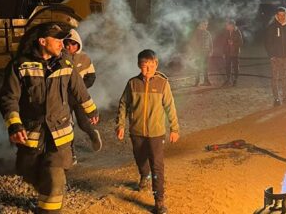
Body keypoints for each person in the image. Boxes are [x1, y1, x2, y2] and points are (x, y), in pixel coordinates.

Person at [0, 22, 99, 213]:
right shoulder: (20, 66)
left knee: (54, 179)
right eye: (58, 40)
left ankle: (48, 210)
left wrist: (91, 111)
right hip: (33, 135)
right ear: (43, 41)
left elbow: (81, 92)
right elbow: (8, 98)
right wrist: (14, 125)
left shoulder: (66, 64)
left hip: (59, 137)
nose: (62, 44)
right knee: (29, 172)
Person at [115, 49, 180, 214]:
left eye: (151, 65)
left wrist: (174, 128)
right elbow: (123, 104)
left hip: (156, 133)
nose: (148, 69)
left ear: (156, 64)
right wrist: (120, 125)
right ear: (139, 65)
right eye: (145, 66)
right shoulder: (132, 83)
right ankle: (144, 175)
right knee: (140, 158)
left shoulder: (162, 83)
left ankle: (159, 201)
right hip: (136, 131)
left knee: (157, 166)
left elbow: (170, 106)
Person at [63, 29, 102, 164]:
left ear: (78, 44)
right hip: (64, 98)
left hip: (79, 98)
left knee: (83, 123)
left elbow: (91, 77)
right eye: (67, 44)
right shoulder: (59, 59)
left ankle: (93, 135)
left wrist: (80, 89)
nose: (70, 47)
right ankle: (71, 154)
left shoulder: (85, 58)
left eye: (73, 44)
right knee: (67, 126)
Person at [265, 7, 286, 106]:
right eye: (280, 15)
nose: (281, 17)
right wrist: (271, 55)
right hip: (276, 58)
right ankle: (276, 98)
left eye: (283, 15)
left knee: (285, 78)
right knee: (275, 78)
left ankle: (285, 98)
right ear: (276, 16)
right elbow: (267, 42)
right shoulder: (272, 27)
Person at [190, 20, 213, 86]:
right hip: (199, 53)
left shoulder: (208, 33)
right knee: (198, 67)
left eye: (206, 25)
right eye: (204, 24)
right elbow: (194, 43)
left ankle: (206, 81)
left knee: (205, 67)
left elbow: (211, 42)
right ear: (200, 25)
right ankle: (197, 82)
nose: (205, 26)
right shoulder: (197, 33)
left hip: (206, 52)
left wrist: (211, 51)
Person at [222, 19, 243, 87]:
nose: (226, 26)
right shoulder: (227, 32)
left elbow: (241, 43)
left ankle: (235, 80)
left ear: (232, 25)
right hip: (228, 52)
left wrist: (233, 43)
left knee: (235, 67)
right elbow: (224, 43)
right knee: (227, 66)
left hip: (235, 53)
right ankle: (228, 80)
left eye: (227, 25)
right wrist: (224, 52)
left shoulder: (237, 32)